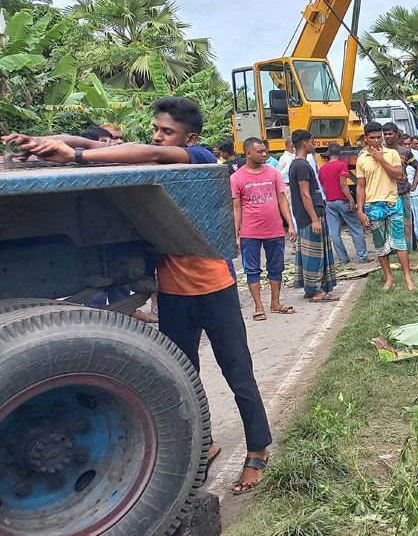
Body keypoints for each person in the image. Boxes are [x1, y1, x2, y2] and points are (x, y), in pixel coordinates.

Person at [4, 97, 272, 494]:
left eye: (167, 131)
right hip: (174, 295)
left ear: (189, 138)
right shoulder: (150, 162)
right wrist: (46, 140)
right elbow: (102, 146)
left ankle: (257, 450)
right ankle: (206, 443)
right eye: (156, 128)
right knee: (185, 378)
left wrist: (74, 155)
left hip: (215, 290)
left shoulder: (195, 156)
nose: (157, 135)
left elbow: (145, 151)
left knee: (238, 373)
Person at [231, 137, 296, 321]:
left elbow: (282, 199)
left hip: (274, 230)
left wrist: (289, 224)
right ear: (248, 153)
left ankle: (275, 303)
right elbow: (237, 208)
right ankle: (258, 306)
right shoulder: (237, 178)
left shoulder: (273, 173)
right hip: (250, 232)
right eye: (260, 151)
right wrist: (236, 234)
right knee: (252, 269)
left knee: (276, 267)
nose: (264, 154)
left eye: (264, 151)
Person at [356, 122, 415, 291]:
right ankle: (388, 278)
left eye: (378, 137)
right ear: (366, 138)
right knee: (380, 245)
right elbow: (361, 186)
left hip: (392, 202)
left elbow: (399, 174)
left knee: (400, 243)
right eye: (372, 138)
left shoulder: (392, 154)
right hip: (372, 206)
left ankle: (407, 278)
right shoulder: (362, 159)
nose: (376, 141)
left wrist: (381, 159)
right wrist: (360, 211)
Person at [289, 130, 339, 302]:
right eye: (312, 142)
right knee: (315, 254)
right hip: (311, 215)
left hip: (307, 215)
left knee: (310, 252)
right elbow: (305, 194)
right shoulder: (302, 166)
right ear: (305, 143)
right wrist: (315, 219)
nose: (314, 144)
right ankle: (316, 290)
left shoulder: (297, 164)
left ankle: (311, 288)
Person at [319, 143, 369, 264]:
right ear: (340, 153)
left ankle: (343, 258)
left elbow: (323, 187)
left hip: (330, 202)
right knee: (356, 227)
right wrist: (351, 199)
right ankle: (362, 256)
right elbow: (343, 184)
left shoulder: (322, 168)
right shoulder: (341, 165)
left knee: (334, 232)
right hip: (342, 201)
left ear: (328, 153)